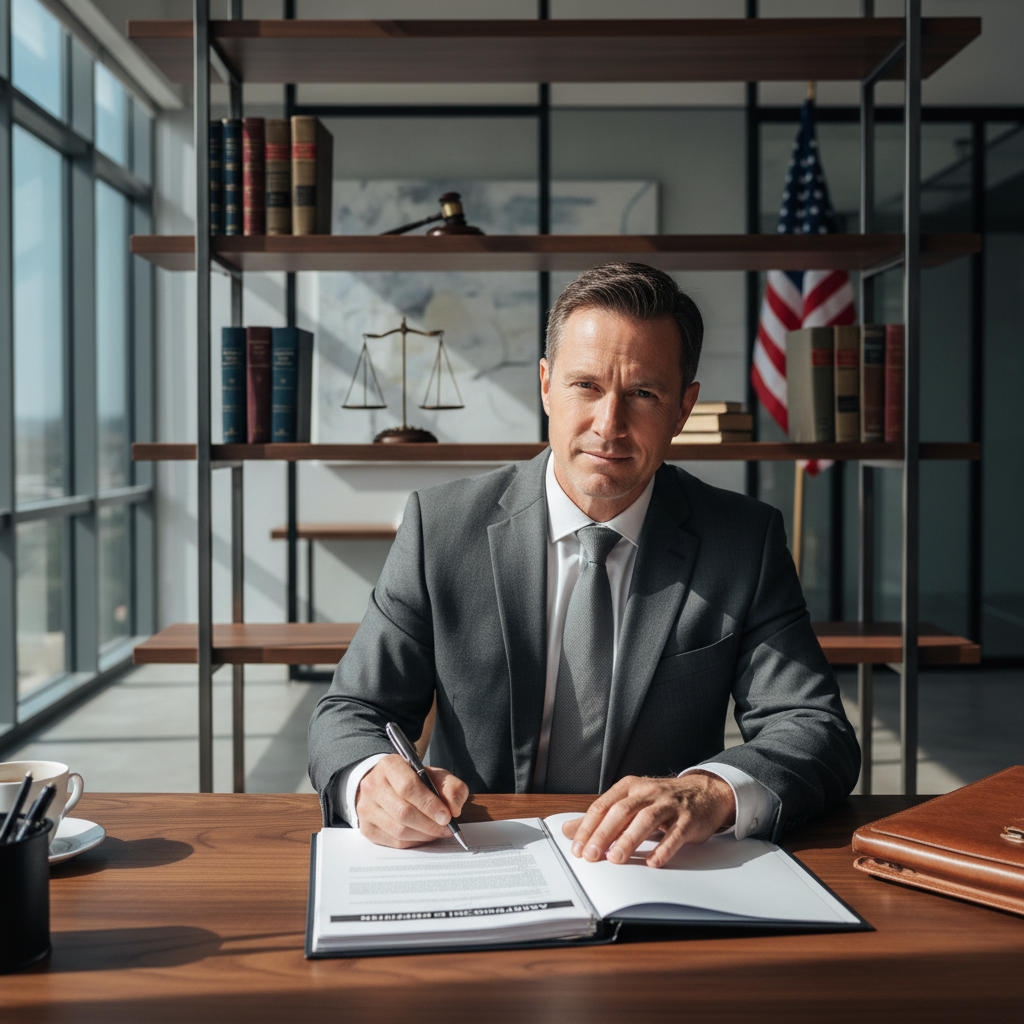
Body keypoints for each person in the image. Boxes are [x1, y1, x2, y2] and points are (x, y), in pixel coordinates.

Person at [308, 262, 860, 869]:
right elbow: (354, 711)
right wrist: (368, 781)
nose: (609, 425)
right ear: (545, 385)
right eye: (585, 386)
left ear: (683, 409)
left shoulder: (743, 541)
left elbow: (813, 727)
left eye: (643, 394)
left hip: (655, 872)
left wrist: (711, 791)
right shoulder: (440, 529)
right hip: (477, 855)